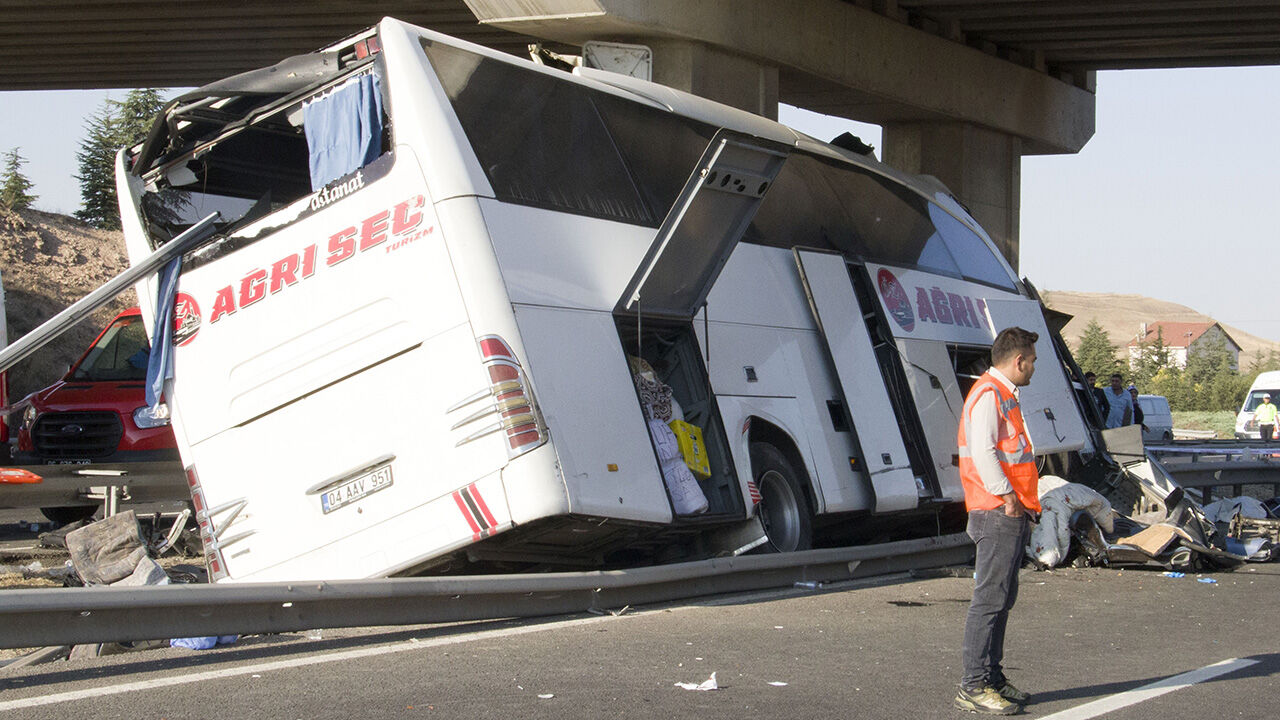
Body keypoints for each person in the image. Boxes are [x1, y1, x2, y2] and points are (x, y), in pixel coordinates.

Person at [954, 326, 1041, 715]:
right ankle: (973, 685)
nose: (1034, 367)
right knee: (990, 600)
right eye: (1033, 361)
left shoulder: (1004, 394)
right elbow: (984, 450)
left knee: (1001, 598)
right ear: (1018, 360)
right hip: (996, 510)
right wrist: (1007, 497)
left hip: (1009, 509)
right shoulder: (990, 394)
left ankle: (992, 678)